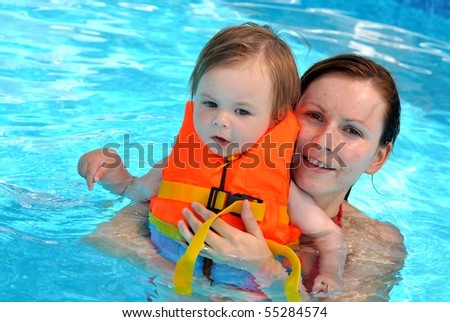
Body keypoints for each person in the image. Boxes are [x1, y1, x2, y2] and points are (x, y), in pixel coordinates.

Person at [78, 23, 347, 300]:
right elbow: (132, 190)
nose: (220, 120)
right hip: (167, 277)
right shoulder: (179, 161)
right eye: (209, 104)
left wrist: (330, 273)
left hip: (243, 294)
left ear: (275, 118)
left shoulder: (282, 186)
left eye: (242, 111)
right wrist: (108, 168)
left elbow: (329, 236)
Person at [178, 54, 407, 301]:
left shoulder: (374, 246)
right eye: (314, 116)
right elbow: (129, 242)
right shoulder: (209, 175)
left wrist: (266, 270)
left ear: (378, 158)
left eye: (352, 131)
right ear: (278, 116)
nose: (323, 142)